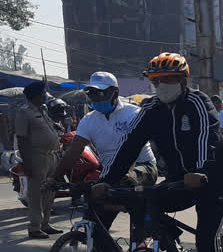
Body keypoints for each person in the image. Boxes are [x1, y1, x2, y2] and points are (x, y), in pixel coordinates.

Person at [94, 52, 223, 252]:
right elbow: (128, 145)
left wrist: (198, 171)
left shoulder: (198, 102)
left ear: (184, 81)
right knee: (141, 202)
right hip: (177, 182)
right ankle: (173, 250)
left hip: (211, 180)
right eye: (157, 81)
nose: (162, 86)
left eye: (170, 79)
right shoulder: (150, 109)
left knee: (207, 240)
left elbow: (205, 137)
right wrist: (106, 180)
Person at [50, 72, 158, 227]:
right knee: (94, 222)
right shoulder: (88, 120)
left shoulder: (133, 113)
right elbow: (73, 152)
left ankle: (131, 213)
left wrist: (120, 176)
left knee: (124, 185)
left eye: (101, 93)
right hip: (112, 173)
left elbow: (132, 150)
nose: (96, 98)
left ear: (115, 92)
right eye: (92, 93)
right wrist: (54, 178)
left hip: (142, 167)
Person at [15, 81, 63, 239]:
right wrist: (27, 162)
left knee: (50, 191)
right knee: (36, 194)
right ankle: (34, 227)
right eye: (42, 93)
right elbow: (21, 139)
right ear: (34, 96)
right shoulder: (24, 112)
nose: (45, 95)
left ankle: (45, 224)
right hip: (36, 157)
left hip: (52, 156)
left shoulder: (43, 109)